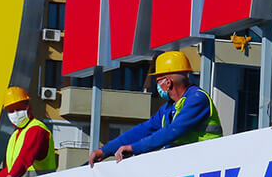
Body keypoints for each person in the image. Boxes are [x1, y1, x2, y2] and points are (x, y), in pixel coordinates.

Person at [88, 50, 222, 165]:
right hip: (188, 164)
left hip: (207, 163)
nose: (156, 86)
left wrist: (134, 148)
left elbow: (172, 132)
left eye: (157, 81)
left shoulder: (197, 99)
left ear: (167, 82)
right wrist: (105, 150)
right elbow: (143, 130)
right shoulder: (169, 108)